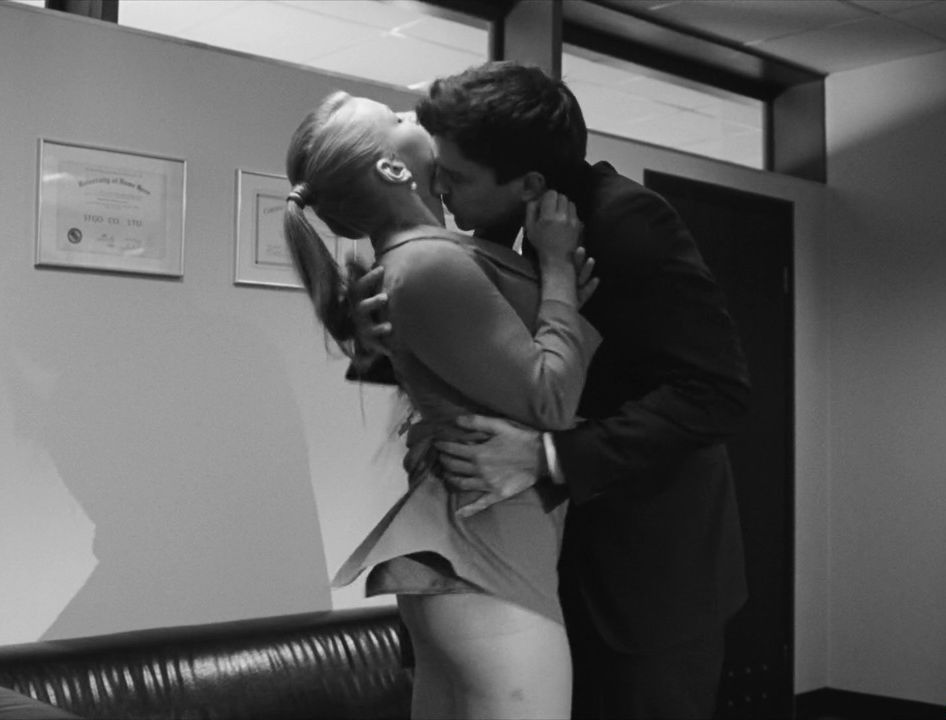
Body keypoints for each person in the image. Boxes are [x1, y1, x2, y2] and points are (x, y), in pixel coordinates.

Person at [349, 62, 752, 720]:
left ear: (531, 182)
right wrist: (380, 343)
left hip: (640, 579)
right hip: (525, 559)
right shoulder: (485, 230)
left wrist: (547, 457)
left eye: (457, 177)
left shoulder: (627, 223)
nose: (439, 187)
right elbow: (482, 368)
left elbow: (716, 392)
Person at [282, 90, 601, 720]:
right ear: (392, 169)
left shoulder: (427, 254)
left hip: (473, 552)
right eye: (396, 118)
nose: (414, 116)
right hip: (488, 550)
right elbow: (551, 400)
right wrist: (558, 271)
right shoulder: (428, 262)